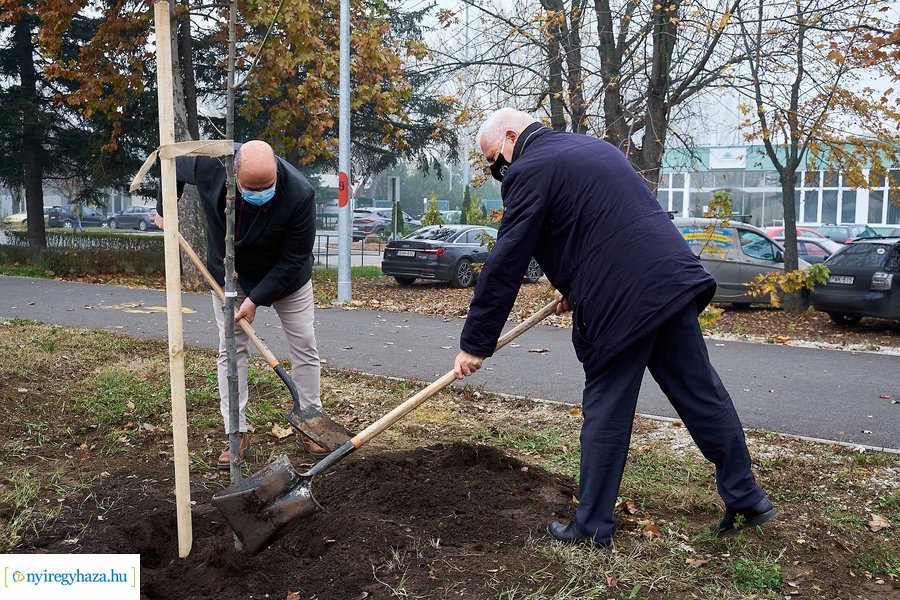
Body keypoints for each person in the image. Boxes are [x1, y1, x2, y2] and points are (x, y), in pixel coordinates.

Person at [453, 108, 776, 547]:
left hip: (622, 301)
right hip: (669, 284)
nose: (499, 171)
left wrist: (476, 342)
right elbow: (599, 225)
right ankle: (747, 497)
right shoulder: (592, 147)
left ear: (512, 136)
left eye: (495, 161)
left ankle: (591, 528)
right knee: (702, 393)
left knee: (605, 410)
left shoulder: (530, 167)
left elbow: (507, 259)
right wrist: (573, 284)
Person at [155, 140, 328, 469]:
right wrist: (166, 209)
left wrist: (257, 299)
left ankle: (311, 423)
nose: (262, 192)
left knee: (305, 343)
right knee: (231, 348)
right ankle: (236, 430)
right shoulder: (211, 165)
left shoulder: (300, 193)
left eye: (268, 186)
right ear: (234, 175)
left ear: (277, 170)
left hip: (286, 278)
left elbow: (294, 259)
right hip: (229, 273)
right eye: (253, 187)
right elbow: (171, 164)